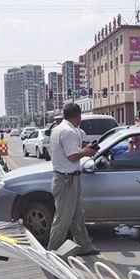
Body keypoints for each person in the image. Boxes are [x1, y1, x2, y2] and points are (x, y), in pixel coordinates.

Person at [48, 103, 100, 255]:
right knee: (63, 220)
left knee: (78, 216)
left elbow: (67, 150)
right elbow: (72, 157)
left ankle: (85, 246)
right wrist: (86, 152)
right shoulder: (69, 131)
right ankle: (51, 253)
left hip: (69, 179)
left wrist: (82, 147)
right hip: (67, 180)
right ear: (78, 117)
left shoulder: (59, 129)